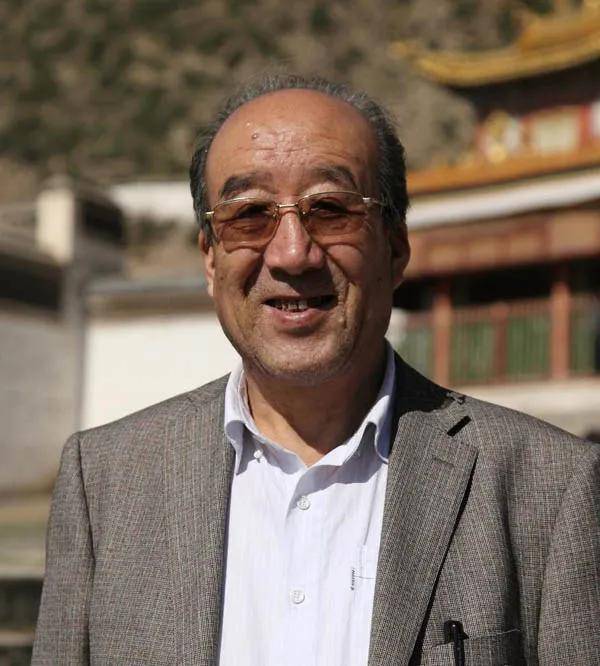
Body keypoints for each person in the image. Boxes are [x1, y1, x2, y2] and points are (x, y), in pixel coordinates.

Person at [33, 74, 600, 665]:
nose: (291, 253)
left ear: (395, 247)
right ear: (210, 259)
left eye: (330, 210)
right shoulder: (105, 482)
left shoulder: (549, 487)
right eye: (249, 215)